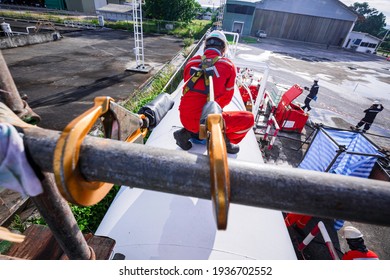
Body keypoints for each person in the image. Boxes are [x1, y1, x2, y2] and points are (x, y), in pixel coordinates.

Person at [174, 30, 254, 154]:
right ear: (223, 50)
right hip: (207, 122)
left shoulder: (191, 62)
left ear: (206, 47)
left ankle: (185, 134)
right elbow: (227, 98)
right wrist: (213, 107)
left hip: (184, 118)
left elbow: (187, 90)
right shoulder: (228, 65)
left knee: (196, 115)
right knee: (249, 119)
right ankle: (224, 141)